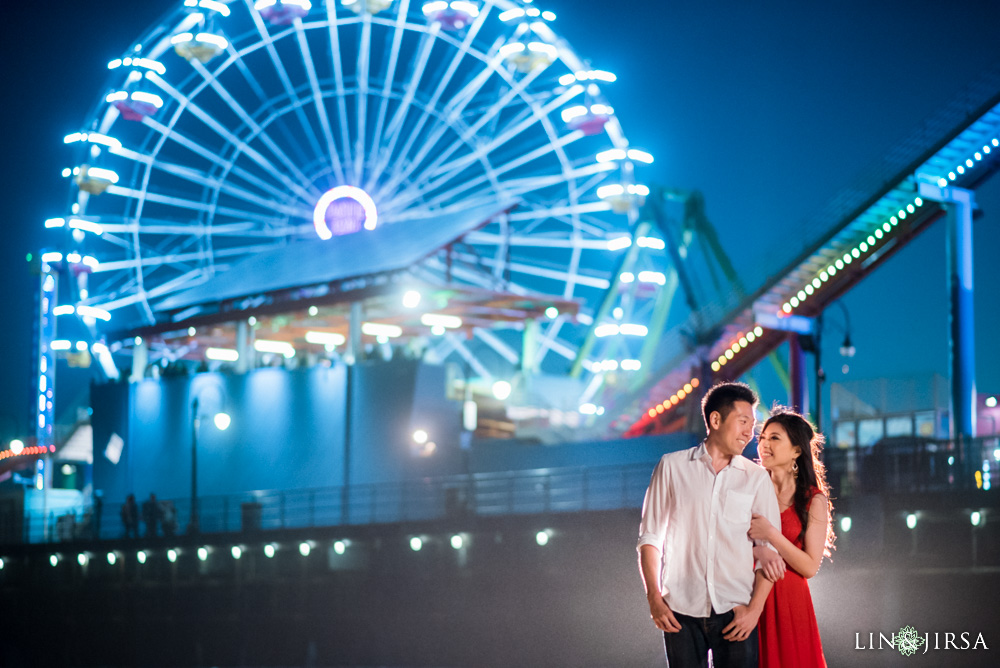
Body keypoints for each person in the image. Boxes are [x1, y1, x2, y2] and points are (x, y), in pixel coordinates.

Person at [638, 382, 781, 667]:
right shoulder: (671, 466)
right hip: (678, 611)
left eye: (751, 425)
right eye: (742, 422)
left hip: (735, 612)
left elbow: (769, 553)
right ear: (715, 420)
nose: (748, 433)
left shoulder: (756, 478)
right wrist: (654, 597)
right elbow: (649, 539)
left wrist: (754, 611)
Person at [750, 407, 835, 668]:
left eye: (774, 438)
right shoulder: (748, 488)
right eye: (762, 438)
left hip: (790, 603)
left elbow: (810, 566)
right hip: (749, 595)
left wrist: (771, 535)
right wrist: (757, 551)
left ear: (797, 451)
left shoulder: (813, 500)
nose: (764, 444)